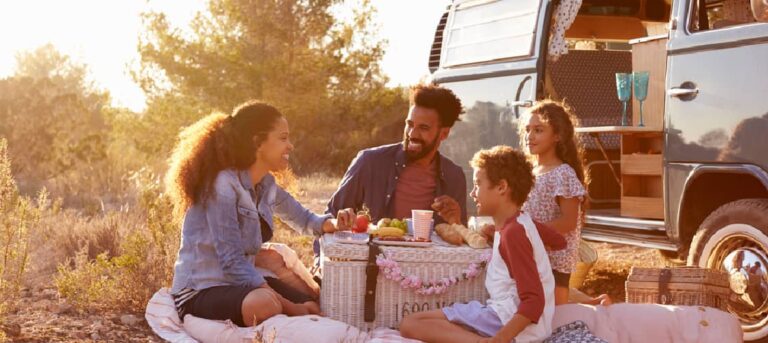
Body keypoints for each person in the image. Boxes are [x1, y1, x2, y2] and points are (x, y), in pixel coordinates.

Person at [166, 100, 342, 327]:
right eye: (283, 138)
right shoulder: (223, 185)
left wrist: (337, 223)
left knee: (314, 304)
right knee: (265, 304)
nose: (290, 146)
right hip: (200, 290)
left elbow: (305, 220)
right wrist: (293, 308)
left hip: (239, 284)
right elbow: (231, 261)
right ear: (258, 142)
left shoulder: (266, 184)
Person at [400, 146, 566, 343]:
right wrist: (501, 237)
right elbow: (559, 241)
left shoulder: (513, 234)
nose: (472, 193)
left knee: (410, 324)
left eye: (478, 184)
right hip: (505, 315)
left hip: (504, 320)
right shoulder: (521, 223)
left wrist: (500, 339)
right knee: (418, 322)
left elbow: (533, 302)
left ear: (502, 187)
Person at [519, 100, 610, 306]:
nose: (529, 136)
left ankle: (596, 306)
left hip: (554, 260)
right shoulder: (530, 173)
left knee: (556, 316)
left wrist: (527, 231)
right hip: (531, 254)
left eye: (538, 130)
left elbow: (568, 222)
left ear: (558, 136)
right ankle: (593, 302)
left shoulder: (563, 174)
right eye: (527, 130)